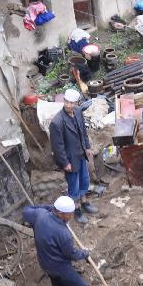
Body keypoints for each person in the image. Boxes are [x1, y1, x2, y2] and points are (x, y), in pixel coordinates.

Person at [22, 196, 93, 286]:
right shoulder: (63, 234)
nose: (71, 217)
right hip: (60, 268)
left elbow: (25, 210)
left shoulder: (40, 215)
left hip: (45, 263)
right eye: (69, 214)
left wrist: (47, 207)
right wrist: (84, 253)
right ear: (60, 213)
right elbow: (71, 254)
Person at [49, 89, 98, 223]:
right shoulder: (57, 122)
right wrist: (65, 163)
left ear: (77, 103)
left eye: (72, 103)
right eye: (67, 102)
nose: (69, 105)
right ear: (64, 101)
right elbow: (57, 147)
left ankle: (85, 203)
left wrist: (87, 147)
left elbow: (83, 131)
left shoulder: (77, 112)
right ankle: (76, 210)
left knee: (84, 180)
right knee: (74, 186)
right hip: (70, 159)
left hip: (81, 154)